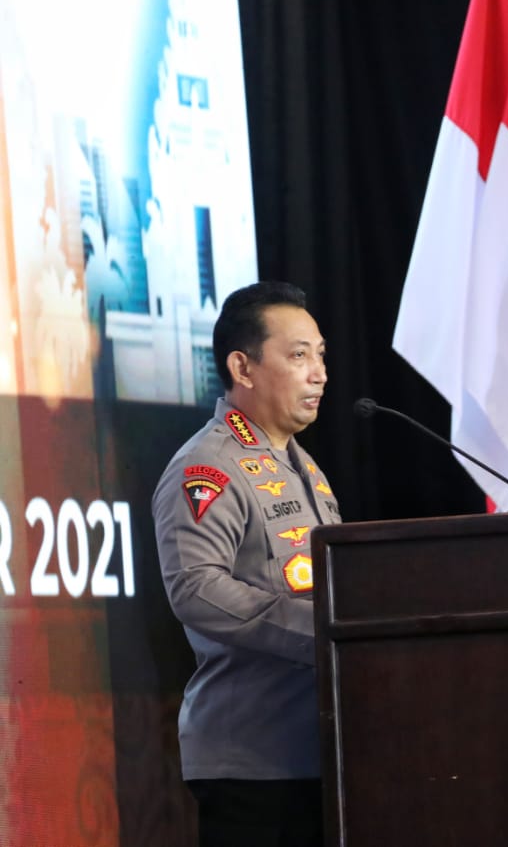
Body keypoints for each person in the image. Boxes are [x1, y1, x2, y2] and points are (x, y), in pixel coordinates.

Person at [152, 281, 339, 847]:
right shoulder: (208, 466)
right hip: (253, 765)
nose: (319, 374)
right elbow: (195, 587)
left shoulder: (305, 467)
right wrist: (323, 632)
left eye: (321, 355)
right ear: (243, 367)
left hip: (323, 753)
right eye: (299, 355)